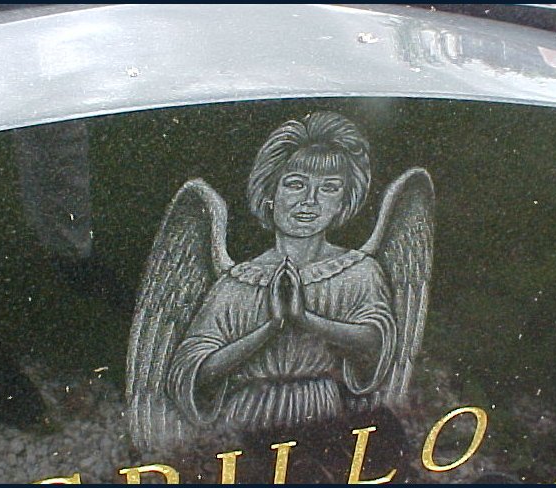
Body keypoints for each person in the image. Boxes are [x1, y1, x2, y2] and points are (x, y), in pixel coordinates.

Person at [165, 112, 398, 437]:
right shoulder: (236, 283)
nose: (310, 201)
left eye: (329, 188)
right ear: (270, 192)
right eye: (295, 184)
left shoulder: (360, 272)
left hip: (320, 413)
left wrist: (306, 320)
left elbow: (377, 345)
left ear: (343, 202)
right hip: (246, 418)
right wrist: (270, 328)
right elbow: (193, 371)